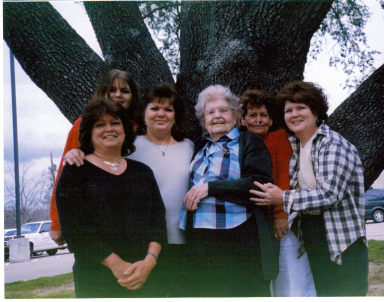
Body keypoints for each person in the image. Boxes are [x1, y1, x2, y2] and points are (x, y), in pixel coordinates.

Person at [250, 80, 368, 297]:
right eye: (289, 110)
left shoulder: (332, 144)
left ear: (316, 111)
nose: (294, 114)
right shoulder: (297, 146)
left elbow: (330, 193)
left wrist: (282, 197)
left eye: (300, 108)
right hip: (313, 238)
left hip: (342, 241)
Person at [55, 98, 166, 298]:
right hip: (98, 279)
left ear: (125, 129)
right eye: (100, 124)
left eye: (115, 123)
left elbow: (158, 219)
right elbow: (75, 229)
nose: (109, 129)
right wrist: (118, 266)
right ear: (89, 132)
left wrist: (150, 261)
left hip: (147, 276)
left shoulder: (142, 172)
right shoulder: (75, 172)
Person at [178, 84, 279, 297]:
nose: (217, 116)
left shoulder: (248, 141)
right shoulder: (199, 147)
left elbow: (259, 185)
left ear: (235, 116)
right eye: (210, 112)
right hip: (200, 239)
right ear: (203, 119)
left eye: (223, 110)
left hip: (239, 238)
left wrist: (211, 188)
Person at [49, 69, 141, 245]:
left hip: (135, 215)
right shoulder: (83, 124)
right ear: (103, 92)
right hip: (97, 218)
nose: (118, 95)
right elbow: (62, 174)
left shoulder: (142, 125)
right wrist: (56, 222)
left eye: (125, 91)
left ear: (133, 96)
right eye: (112, 90)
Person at [240, 89, 316, 297]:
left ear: (271, 120)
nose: (258, 120)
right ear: (243, 119)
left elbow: (284, 177)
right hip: (255, 221)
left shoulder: (278, 138)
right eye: (253, 115)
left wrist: (280, 215)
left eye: (263, 115)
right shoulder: (241, 142)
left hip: (280, 215)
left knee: (291, 273)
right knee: (269, 278)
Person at [127, 83, 194, 297]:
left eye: (168, 109)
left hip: (182, 243)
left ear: (175, 116)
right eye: (154, 108)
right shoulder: (128, 147)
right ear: (143, 114)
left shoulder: (189, 147)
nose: (161, 114)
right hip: (142, 246)